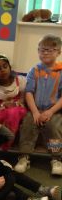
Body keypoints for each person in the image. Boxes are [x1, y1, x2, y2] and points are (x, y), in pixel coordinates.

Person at [14, 34, 62, 176]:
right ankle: (24, 156)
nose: (45, 53)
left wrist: (50, 112)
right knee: (28, 124)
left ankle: (56, 158)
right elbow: (29, 92)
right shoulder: (34, 70)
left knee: (54, 126)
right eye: (42, 50)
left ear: (58, 52)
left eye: (50, 50)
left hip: (54, 110)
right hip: (35, 109)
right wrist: (35, 112)